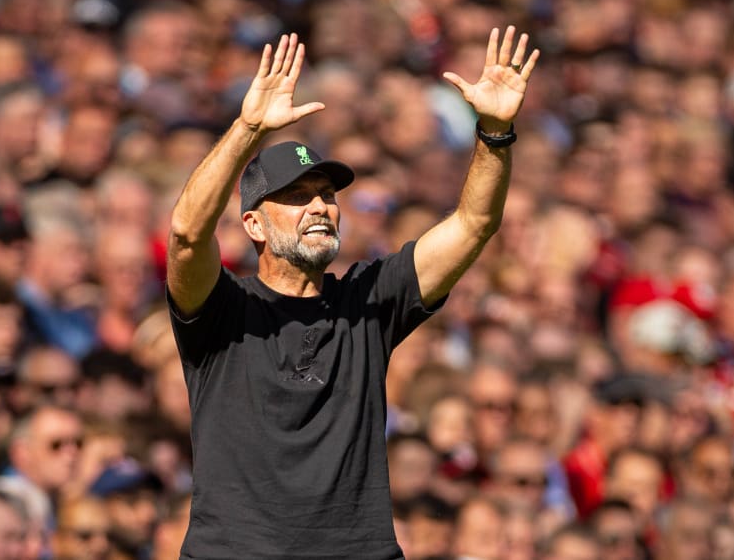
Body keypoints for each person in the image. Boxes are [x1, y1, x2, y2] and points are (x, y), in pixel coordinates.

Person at [165, 28, 539, 558]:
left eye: (326, 195)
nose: (320, 206)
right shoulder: (220, 309)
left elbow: (474, 224)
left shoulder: (367, 300)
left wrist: (495, 132)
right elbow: (186, 234)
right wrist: (247, 129)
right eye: (297, 196)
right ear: (253, 224)